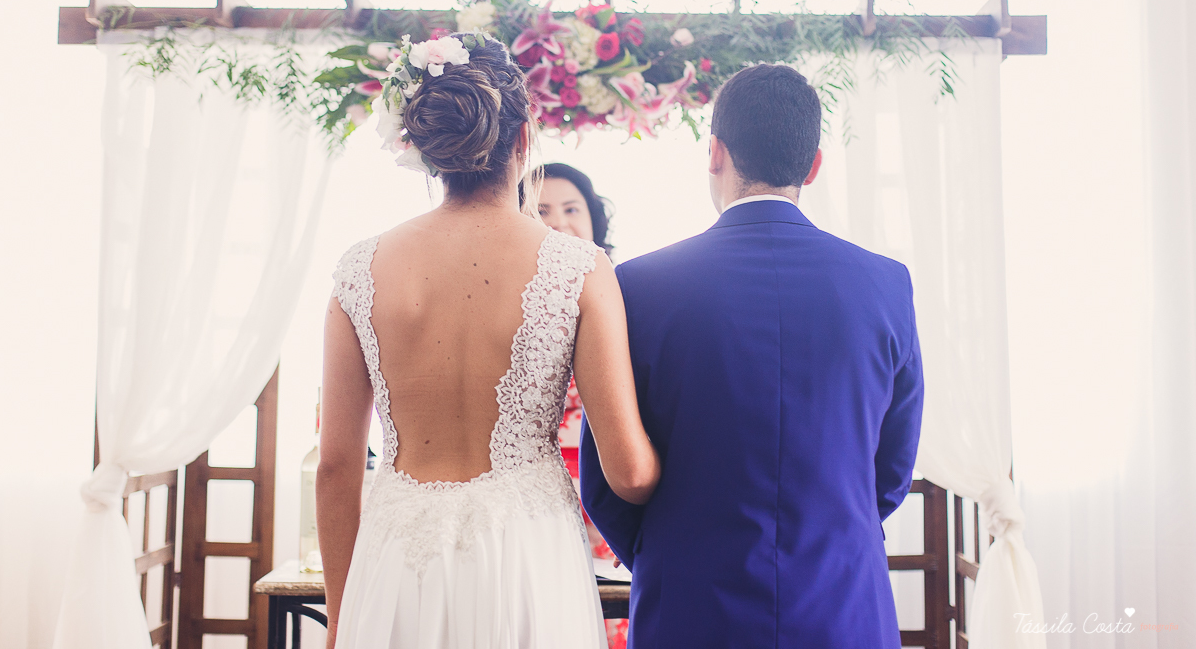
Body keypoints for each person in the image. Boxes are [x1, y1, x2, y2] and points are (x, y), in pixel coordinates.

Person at [317, 34, 661, 649]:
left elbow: (337, 467)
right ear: (524, 139)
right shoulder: (577, 267)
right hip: (528, 554)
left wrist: (342, 618)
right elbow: (629, 472)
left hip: (395, 559)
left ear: (423, 146)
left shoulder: (358, 269)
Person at [579, 63, 924, 648]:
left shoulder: (636, 286)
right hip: (843, 604)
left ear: (713, 152)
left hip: (691, 604)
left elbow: (607, 477)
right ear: (813, 165)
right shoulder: (886, 283)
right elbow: (891, 469)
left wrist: (675, 556)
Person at [534, 163, 628, 649]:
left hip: (610, 471)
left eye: (572, 209)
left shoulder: (625, 289)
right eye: (542, 209)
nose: (559, 221)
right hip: (540, 491)